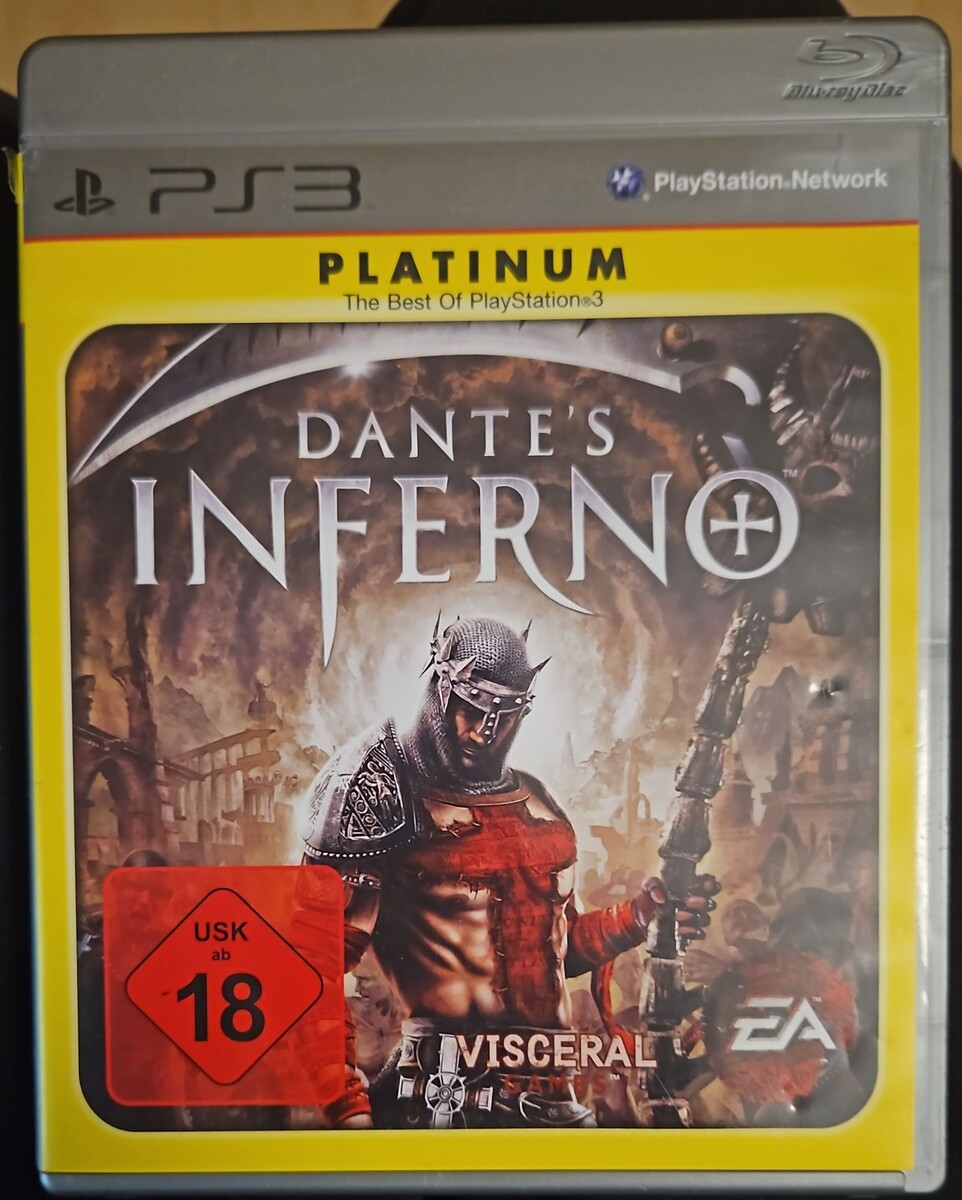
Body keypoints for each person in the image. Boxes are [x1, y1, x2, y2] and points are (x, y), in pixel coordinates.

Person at [294, 615, 716, 1128]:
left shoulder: (537, 803)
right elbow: (310, 968)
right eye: (472, 709)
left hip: (554, 1099)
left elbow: (556, 952)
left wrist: (640, 917)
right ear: (439, 689)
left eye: (505, 715)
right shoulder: (376, 790)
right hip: (440, 1100)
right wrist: (347, 1109)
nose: (484, 731)